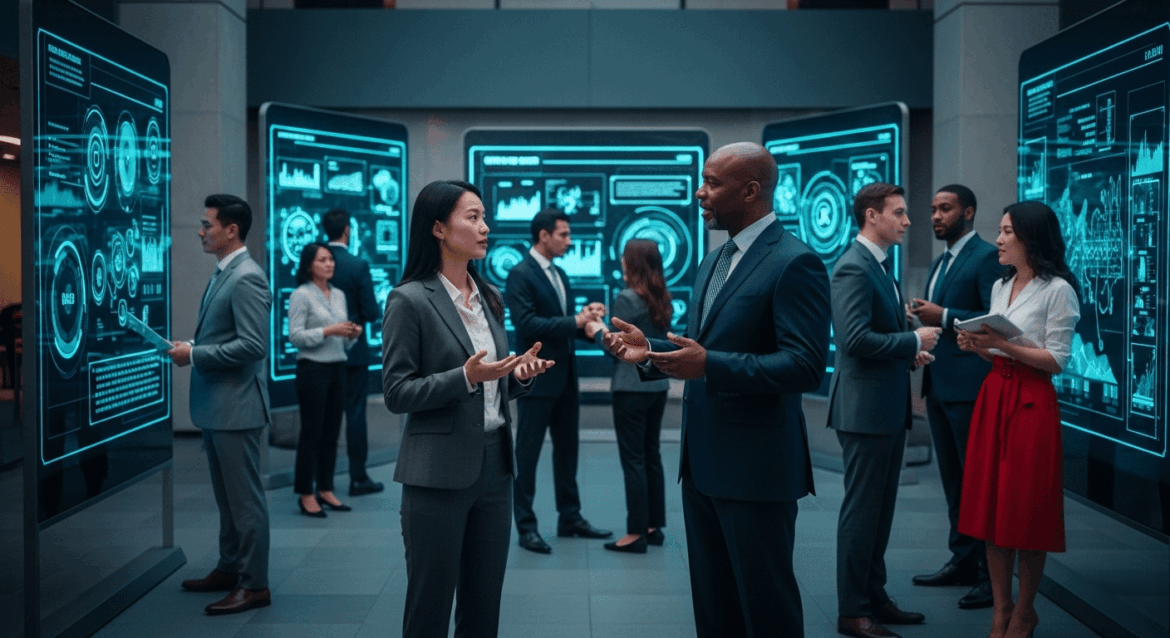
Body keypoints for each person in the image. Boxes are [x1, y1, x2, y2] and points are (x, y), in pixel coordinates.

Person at [605, 142, 830, 637]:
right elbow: (703, 347)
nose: (699, 193)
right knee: (715, 608)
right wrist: (652, 350)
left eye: (711, 183)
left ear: (750, 190)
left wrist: (711, 365)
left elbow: (806, 366)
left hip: (756, 469)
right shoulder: (714, 261)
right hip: (703, 466)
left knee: (766, 610)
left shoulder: (795, 262)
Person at [382, 179, 553, 638]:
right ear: (438, 228)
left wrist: (518, 374)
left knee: (483, 609)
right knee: (429, 610)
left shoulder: (488, 297)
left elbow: (493, 381)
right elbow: (397, 393)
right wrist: (465, 378)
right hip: (436, 474)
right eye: (472, 217)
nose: (485, 227)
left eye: (484, 217)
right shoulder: (409, 299)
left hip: (496, 468)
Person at [956, 201, 1080, 638]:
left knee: (1025, 509)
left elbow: (1056, 360)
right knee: (992, 507)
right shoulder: (1000, 285)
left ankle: (1025, 612)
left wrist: (1003, 347)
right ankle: (1000, 608)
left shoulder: (1058, 290)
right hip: (995, 393)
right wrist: (977, 345)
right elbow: (997, 349)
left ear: (1031, 237)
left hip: (1030, 402)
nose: (999, 239)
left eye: (1008, 231)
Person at [827, 182, 938, 638]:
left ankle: (874, 598)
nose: (908, 221)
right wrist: (912, 340)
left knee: (879, 512)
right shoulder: (853, 267)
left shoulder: (879, 267)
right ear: (872, 216)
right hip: (865, 411)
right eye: (899, 213)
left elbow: (874, 336)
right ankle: (853, 611)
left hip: (884, 408)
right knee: (863, 513)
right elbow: (852, 340)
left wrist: (905, 351)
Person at [168, 194, 272, 615]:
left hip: (237, 409)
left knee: (245, 504)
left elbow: (252, 345)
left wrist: (194, 356)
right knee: (229, 502)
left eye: (207, 224)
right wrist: (194, 345)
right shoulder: (225, 272)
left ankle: (254, 585)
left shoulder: (246, 276)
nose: (200, 231)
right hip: (220, 407)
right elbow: (223, 335)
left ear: (232, 230)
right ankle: (231, 569)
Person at [907, 185, 1001, 609]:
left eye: (945, 209)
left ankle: (987, 576)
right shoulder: (942, 261)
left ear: (969, 211)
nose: (935, 216)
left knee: (977, 483)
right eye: (933, 209)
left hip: (970, 389)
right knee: (953, 482)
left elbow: (993, 324)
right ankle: (961, 561)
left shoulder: (984, 258)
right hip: (941, 387)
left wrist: (941, 315)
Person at [505, 207, 610, 554]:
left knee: (568, 452)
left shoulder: (560, 274)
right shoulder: (520, 274)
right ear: (543, 236)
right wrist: (578, 321)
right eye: (563, 234)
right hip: (535, 378)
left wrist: (590, 328)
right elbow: (528, 325)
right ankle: (526, 525)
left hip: (565, 377)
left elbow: (562, 326)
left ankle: (570, 517)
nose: (569, 240)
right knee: (529, 454)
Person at [585, 239, 672, 554]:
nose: (620, 263)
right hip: (656, 386)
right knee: (651, 456)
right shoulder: (660, 296)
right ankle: (653, 526)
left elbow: (618, 349)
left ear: (632, 263)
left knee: (633, 460)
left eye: (624, 259)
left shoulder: (626, 298)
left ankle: (636, 533)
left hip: (630, 388)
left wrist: (595, 328)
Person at [288, 242, 362, 517]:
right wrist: (328, 330)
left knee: (332, 432)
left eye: (331, 259)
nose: (330, 264)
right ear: (309, 265)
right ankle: (306, 492)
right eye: (322, 260)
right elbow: (295, 336)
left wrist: (351, 336)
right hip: (312, 370)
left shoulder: (339, 294)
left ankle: (326, 488)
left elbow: (342, 345)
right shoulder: (300, 295)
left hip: (337, 367)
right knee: (312, 432)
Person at [322, 209, 386, 497]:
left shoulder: (315, 260)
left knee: (324, 417)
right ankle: (358, 477)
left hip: (321, 351)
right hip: (354, 352)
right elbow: (372, 311)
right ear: (347, 230)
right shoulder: (358, 264)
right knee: (355, 414)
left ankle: (321, 483)